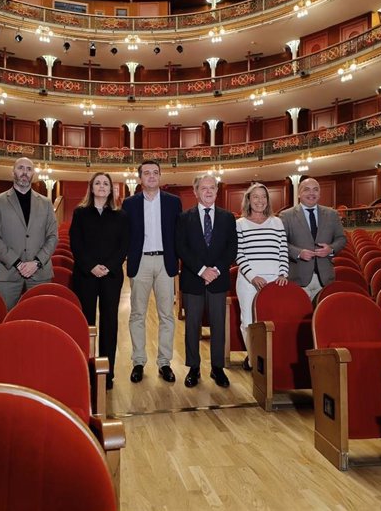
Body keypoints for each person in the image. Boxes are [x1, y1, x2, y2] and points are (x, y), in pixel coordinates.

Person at [122, 160, 182, 384]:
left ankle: (164, 363)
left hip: (166, 262)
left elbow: (178, 233)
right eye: (146, 173)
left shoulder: (173, 202)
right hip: (141, 262)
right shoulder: (129, 204)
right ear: (140, 179)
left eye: (155, 172)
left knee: (166, 315)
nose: (151, 176)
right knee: (137, 314)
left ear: (160, 176)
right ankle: (138, 361)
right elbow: (125, 234)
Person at [176, 174, 237, 388]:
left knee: (218, 326)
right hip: (194, 279)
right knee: (192, 325)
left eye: (212, 188)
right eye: (204, 188)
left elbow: (232, 248)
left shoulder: (228, 218)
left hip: (218, 280)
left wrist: (217, 270)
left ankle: (217, 368)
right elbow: (181, 247)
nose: (209, 191)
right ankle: (193, 367)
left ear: (217, 191)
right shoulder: (184, 218)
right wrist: (202, 270)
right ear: (196, 192)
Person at [69, 172, 129, 390]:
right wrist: (91, 266)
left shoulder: (121, 215)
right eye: (98, 183)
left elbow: (124, 246)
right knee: (86, 323)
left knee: (109, 322)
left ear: (111, 189)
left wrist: (109, 266)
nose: (102, 186)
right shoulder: (80, 213)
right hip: (85, 275)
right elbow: (76, 243)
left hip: (111, 276)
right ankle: (84, 369)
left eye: (106, 183)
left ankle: (107, 373)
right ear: (91, 188)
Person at [0, 157, 58, 310]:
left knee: (40, 319)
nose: (25, 172)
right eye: (20, 168)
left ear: (33, 174)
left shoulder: (46, 203)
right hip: (8, 274)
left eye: (29, 169)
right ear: (13, 172)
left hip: (40, 274)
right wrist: (17, 263)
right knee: (7, 321)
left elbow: (52, 237)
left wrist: (37, 262)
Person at [235, 183, 289, 371]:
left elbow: (283, 250)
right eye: (255, 197)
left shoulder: (277, 222)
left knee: (273, 322)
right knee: (248, 322)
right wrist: (252, 277)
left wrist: (283, 272)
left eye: (263, 197)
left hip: (275, 280)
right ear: (248, 200)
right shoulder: (239, 224)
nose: (260, 200)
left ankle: (272, 361)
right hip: (249, 281)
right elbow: (239, 253)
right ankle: (254, 360)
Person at [279, 177, 346, 301]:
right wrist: (298, 253)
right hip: (298, 278)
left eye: (315, 190)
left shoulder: (332, 214)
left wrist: (330, 249)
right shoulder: (286, 215)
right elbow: (281, 243)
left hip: (325, 279)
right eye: (306, 190)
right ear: (299, 193)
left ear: (319, 193)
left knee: (324, 318)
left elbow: (341, 239)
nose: (311, 193)